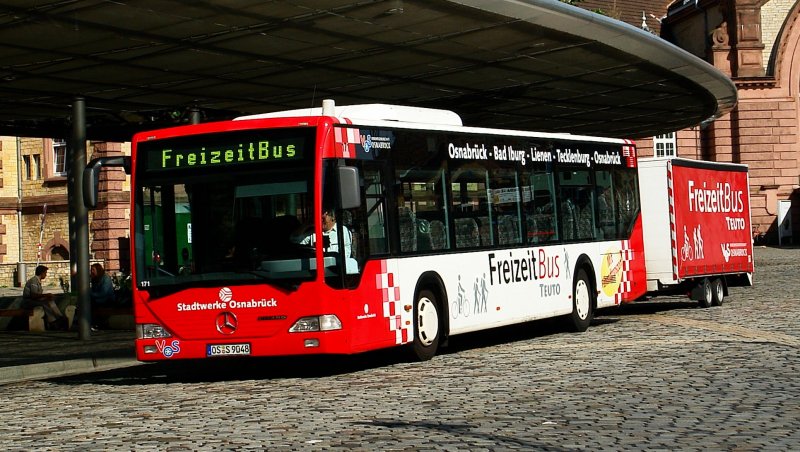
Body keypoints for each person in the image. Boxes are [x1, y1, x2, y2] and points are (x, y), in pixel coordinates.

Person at [22, 265, 67, 331]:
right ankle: (53, 322)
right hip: (28, 302)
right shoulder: (34, 281)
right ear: (41, 273)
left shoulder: (38, 281)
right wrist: (46, 295)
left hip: (33, 300)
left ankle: (59, 317)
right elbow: (33, 295)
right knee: (44, 304)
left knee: (50, 301)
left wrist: (47, 297)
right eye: (45, 273)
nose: (45, 275)